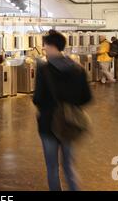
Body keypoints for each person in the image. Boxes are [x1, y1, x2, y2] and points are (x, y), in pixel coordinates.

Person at [33, 30, 92, 191]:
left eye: (45, 45)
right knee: (68, 166)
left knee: (52, 168)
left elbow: (37, 98)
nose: (44, 49)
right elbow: (86, 97)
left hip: (48, 123)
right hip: (69, 123)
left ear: (52, 46)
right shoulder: (78, 69)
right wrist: (71, 105)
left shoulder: (43, 69)